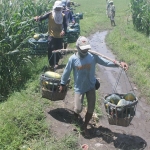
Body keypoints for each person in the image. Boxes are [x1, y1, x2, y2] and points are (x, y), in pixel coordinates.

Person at [59, 36, 128, 137]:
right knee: (78, 109)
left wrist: (118, 64)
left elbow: (106, 62)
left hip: (91, 86)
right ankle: (76, 115)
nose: (86, 50)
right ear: (78, 47)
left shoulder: (92, 56)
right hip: (79, 87)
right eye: (83, 48)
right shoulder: (73, 59)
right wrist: (62, 83)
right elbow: (66, 72)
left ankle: (85, 126)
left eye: (87, 48)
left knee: (91, 108)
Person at [34, 1, 67, 69]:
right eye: (57, 8)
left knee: (58, 49)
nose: (58, 9)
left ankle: (56, 63)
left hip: (59, 35)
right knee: (51, 48)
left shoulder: (63, 16)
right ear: (54, 8)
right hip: (51, 35)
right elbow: (42, 17)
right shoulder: (50, 14)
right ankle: (51, 64)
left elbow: (65, 25)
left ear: (61, 8)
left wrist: (63, 31)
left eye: (59, 8)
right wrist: (38, 18)